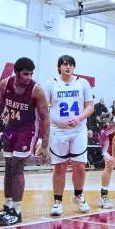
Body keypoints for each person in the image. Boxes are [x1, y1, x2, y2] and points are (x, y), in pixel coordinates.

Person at [0, 57, 49, 227]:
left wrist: (44, 144)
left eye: (31, 74)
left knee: (17, 167)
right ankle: (7, 207)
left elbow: (45, 118)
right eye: (25, 74)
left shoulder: (37, 90)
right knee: (7, 167)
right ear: (16, 73)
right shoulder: (5, 84)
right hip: (11, 128)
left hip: (27, 131)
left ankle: (17, 211)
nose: (29, 77)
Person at [43, 55, 94, 217]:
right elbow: (43, 110)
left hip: (78, 129)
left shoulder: (82, 83)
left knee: (79, 165)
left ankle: (78, 195)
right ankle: (57, 201)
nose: (68, 67)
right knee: (60, 166)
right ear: (59, 67)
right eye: (64, 64)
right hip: (58, 130)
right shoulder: (51, 84)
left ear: (74, 67)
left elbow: (90, 107)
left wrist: (79, 118)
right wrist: (41, 136)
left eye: (70, 64)